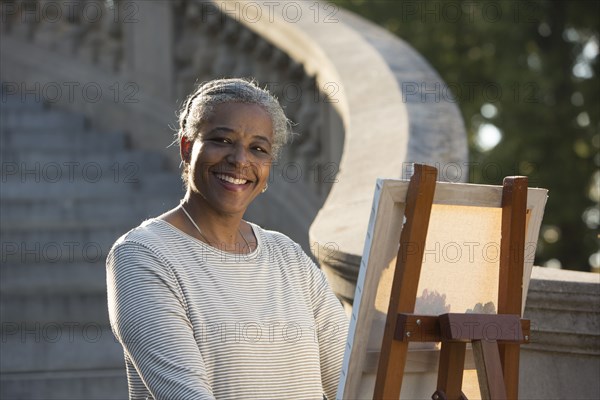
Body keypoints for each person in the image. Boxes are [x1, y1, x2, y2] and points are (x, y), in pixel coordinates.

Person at [106, 78, 349, 399]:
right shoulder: (143, 256)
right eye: (222, 140)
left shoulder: (288, 256)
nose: (239, 160)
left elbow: (350, 380)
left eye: (258, 148)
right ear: (187, 147)